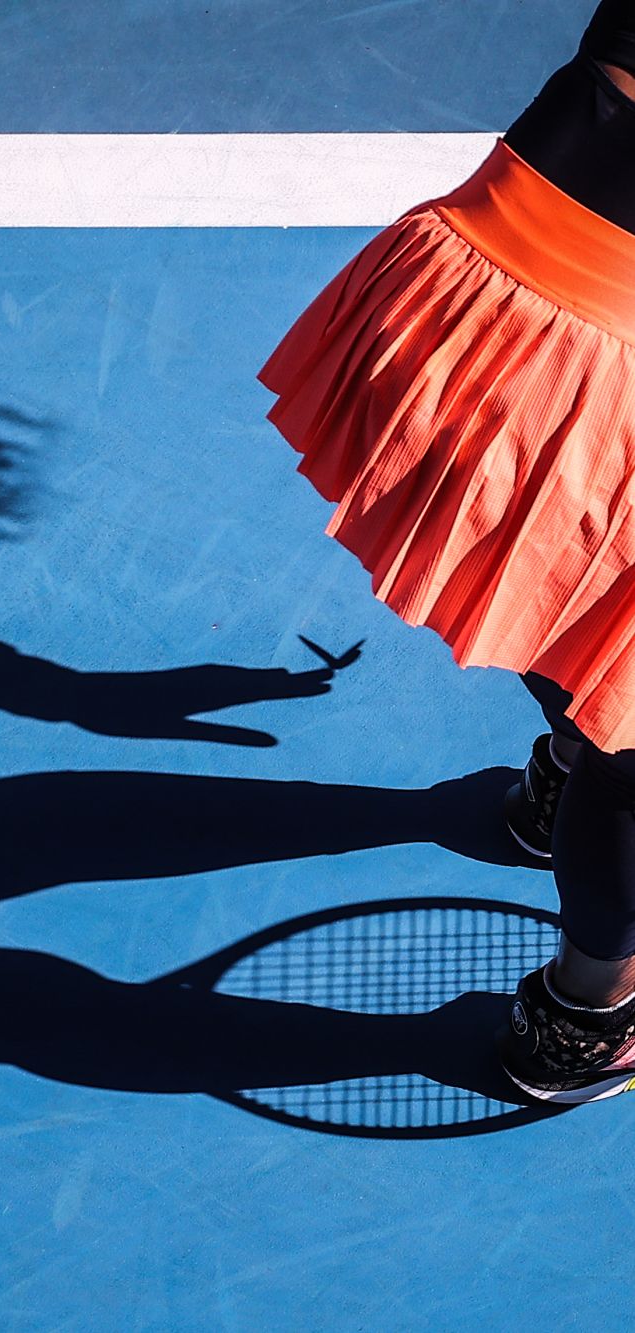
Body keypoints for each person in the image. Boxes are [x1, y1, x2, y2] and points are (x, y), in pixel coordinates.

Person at [258, 1, 635, 1105]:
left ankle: (559, 775)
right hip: (600, 379)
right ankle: (585, 1011)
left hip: (465, 303)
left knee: (594, 639)